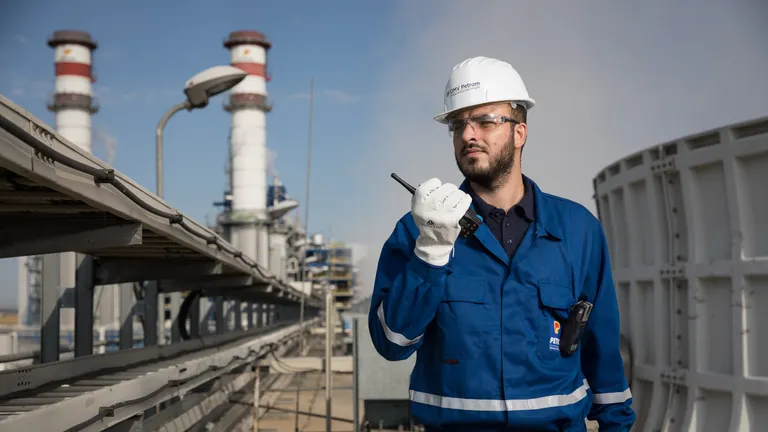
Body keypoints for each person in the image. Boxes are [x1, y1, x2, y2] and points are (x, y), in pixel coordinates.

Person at [368, 56, 636, 431]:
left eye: (485, 121)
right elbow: (391, 343)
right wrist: (430, 254)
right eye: (458, 124)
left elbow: (603, 352)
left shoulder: (577, 231)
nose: (468, 135)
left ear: (519, 132)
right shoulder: (419, 231)